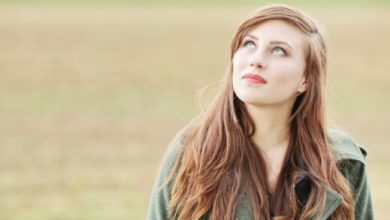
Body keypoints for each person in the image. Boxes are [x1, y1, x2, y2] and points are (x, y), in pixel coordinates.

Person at [146, 4, 373, 220]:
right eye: (249, 44)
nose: (256, 61)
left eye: (279, 51)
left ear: (305, 80)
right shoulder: (192, 154)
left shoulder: (343, 161)